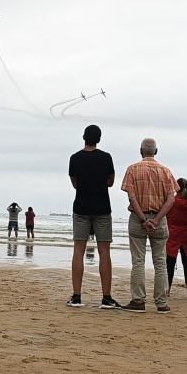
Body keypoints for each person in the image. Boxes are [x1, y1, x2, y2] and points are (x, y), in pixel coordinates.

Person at [119, 138, 177, 313]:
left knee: (138, 261)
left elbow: (132, 197)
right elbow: (171, 199)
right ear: (156, 151)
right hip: (159, 220)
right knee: (160, 262)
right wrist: (157, 219)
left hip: (138, 218)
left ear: (141, 151)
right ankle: (161, 302)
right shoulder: (165, 171)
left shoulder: (132, 169)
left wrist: (143, 219)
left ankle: (138, 300)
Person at [67, 125, 121, 309]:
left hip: (81, 207)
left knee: (78, 250)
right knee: (104, 252)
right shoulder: (106, 158)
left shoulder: (75, 158)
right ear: (98, 139)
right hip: (102, 208)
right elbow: (111, 182)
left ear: (84, 137)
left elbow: (74, 183)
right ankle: (106, 297)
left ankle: (76, 296)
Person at [165, 178, 187, 299]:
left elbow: (166, 216)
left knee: (169, 263)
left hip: (173, 233)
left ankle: (167, 290)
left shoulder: (171, 202)